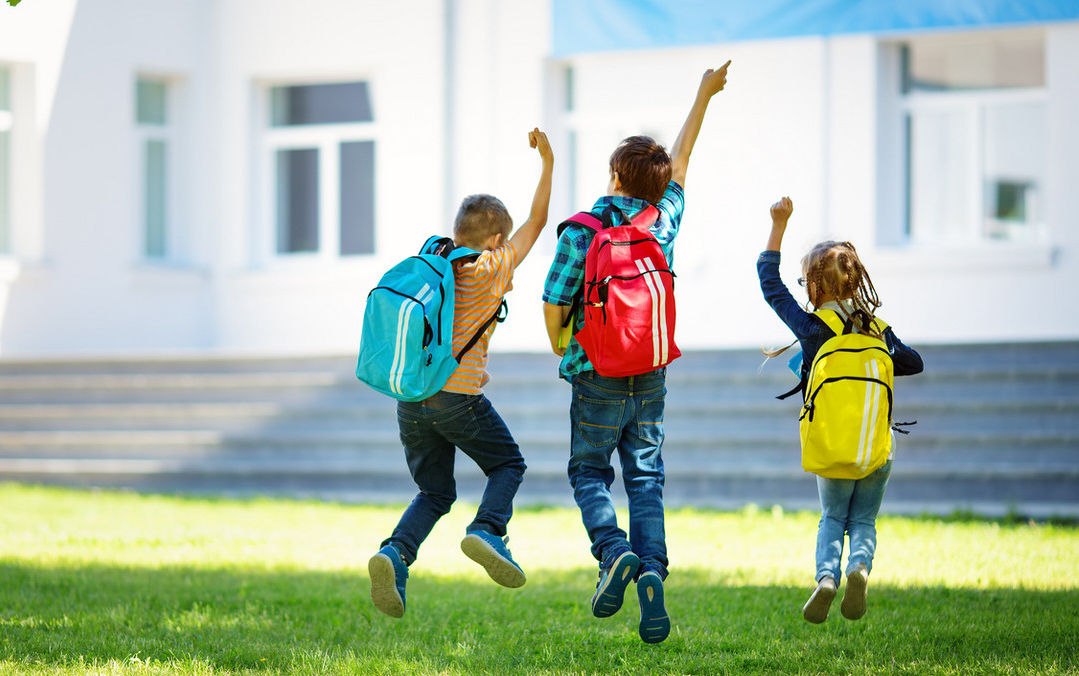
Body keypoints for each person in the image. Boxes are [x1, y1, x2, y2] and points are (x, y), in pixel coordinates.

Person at [541, 61, 730, 644]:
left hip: (594, 370)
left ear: (614, 175)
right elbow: (684, 158)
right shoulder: (662, 221)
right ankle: (651, 573)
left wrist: (564, 348)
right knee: (645, 477)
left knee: (588, 471)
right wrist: (703, 93)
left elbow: (554, 301)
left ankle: (613, 551)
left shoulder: (583, 228)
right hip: (649, 372)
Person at [368, 128, 554, 619]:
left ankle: (395, 553)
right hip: (458, 398)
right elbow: (538, 221)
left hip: (412, 398)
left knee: (434, 491)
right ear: (495, 238)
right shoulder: (492, 267)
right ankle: (488, 529)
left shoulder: (434, 260)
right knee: (508, 465)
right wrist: (548, 162)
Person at [758, 196, 923, 623]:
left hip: (831, 447)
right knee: (863, 520)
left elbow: (768, 284)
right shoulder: (877, 329)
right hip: (875, 449)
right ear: (855, 282)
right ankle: (859, 568)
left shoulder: (814, 329)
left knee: (833, 516)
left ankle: (827, 577)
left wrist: (779, 224)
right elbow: (913, 363)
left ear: (815, 287)